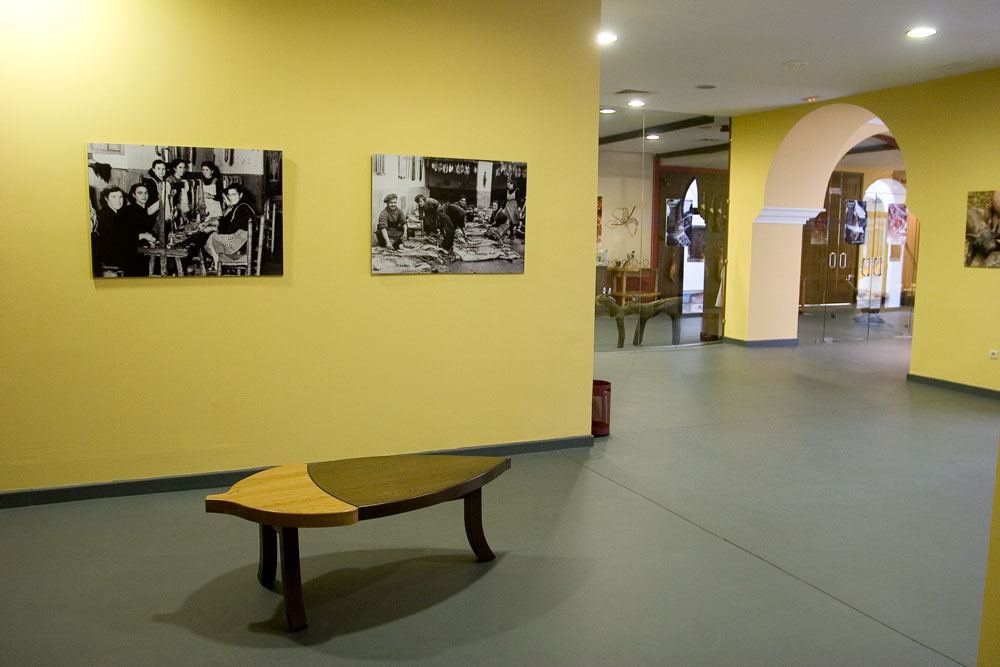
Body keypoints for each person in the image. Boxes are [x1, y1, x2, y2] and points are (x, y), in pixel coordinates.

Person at [92, 186, 156, 277]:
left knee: (144, 260)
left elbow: (129, 232)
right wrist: (142, 236)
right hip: (110, 257)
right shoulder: (105, 215)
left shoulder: (118, 213)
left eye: (120, 197)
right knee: (140, 263)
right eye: (114, 197)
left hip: (119, 253)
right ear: (106, 199)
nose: (118, 201)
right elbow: (119, 239)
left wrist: (145, 236)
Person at [204, 183, 254, 274]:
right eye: (229, 195)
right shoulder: (239, 205)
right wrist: (209, 223)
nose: (231, 197)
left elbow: (230, 229)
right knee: (213, 236)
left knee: (212, 238)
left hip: (241, 244)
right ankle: (219, 264)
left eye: (234, 194)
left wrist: (212, 228)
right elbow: (225, 220)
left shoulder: (242, 208)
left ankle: (219, 266)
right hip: (242, 240)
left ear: (241, 194)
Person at [142, 159, 169, 243]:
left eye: (163, 169)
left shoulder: (163, 182)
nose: (161, 171)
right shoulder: (151, 182)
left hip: (161, 215)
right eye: (158, 169)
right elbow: (151, 203)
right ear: (153, 170)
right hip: (154, 217)